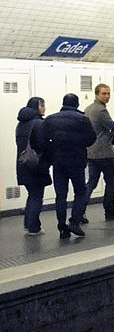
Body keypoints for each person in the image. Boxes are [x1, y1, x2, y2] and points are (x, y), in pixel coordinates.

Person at [42, 93, 96, 239]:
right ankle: (74, 222)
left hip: (58, 162)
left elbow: (44, 140)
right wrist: (78, 143)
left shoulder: (50, 119)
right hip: (76, 162)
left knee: (60, 196)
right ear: (77, 104)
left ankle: (61, 226)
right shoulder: (83, 119)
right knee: (80, 192)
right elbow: (91, 139)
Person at [83, 83, 114, 222]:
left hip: (91, 152)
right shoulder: (101, 111)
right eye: (104, 93)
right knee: (111, 182)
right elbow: (112, 127)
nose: (107, 96)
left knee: (91, 182)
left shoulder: (87, 109)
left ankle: (80, 211)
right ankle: (110, 212)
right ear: (96, 94)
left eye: (108, 93)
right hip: (105, 153)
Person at [16, 97, 51, 235]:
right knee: (37, 196)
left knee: (32, 194)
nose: (44, 108)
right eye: (42, 105)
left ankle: (29, 224)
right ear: (36, 107)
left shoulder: (20, 124)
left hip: (23, 163)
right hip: (36, 164)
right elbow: (42, 144)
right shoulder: (38, 123)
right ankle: (33, 228)